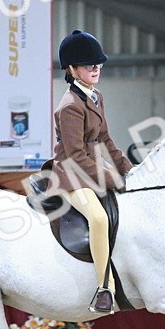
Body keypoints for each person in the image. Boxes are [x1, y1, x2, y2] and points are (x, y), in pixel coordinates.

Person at [51, 29, 134, 313]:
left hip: (94, 167)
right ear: (72, 69)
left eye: (97, 63)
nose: (95, 68)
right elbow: (76, 156)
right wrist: (112, 178)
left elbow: (106, 139)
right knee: (98, 218)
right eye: (88, 65)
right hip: (71, 175)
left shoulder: (96, 96)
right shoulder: (69, 107)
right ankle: (104, 288)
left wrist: (128, 169)